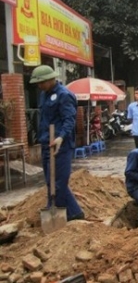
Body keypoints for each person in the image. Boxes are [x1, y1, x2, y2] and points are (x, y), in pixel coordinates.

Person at [30, 65, 84, 221]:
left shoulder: (64, 95)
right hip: (47, 143)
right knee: (50, 181)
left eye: (41, 82)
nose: (39, 86)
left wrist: (61, 137)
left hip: (61, 145)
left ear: (50, 79)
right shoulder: (44, 95)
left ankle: (59, 216)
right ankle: (75, 213)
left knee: (59, 182)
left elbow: (69, 120)